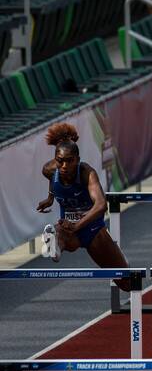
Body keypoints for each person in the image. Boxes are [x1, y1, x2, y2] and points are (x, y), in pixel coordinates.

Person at [36, 124, 131, 291]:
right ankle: (55, 246)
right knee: (60, 233)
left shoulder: (87, 173)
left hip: (92, 230)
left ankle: (59, 242)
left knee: (126, 283)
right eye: (60, 161)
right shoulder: (50, 170)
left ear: (77, 160)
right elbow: (52, 179)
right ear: (55, 159)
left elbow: (101, 205)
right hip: (67, 229)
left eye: (69, 161)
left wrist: (77, 226)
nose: (64, 166)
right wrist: (50, 198)